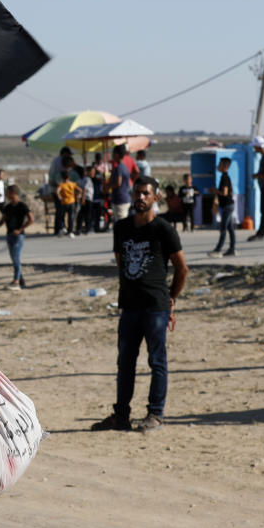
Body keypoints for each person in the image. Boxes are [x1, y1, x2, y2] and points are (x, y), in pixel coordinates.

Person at [92, 176, 188, 432]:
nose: (140, 198)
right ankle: (121, 416)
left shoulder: (164, 229)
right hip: (130, 307)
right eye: (137, 193)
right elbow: (121, 262)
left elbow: (182, 269)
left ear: (156, 197)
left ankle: (155, 414)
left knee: (157, 361)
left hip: (156, 307)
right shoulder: (122, 227)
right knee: (125, 362)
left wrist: (171, 299)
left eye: (146, 193)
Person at [0, 185, 34, 290]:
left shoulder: (22, 206)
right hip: (9, 235)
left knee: (16, 258)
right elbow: (3, 219)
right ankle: (21, 281)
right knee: (14, 259)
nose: (6, 194)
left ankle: (16, 281)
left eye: (8, 192)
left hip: (18, 236)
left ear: (14, 193)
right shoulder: (8, 207)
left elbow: (31, 219)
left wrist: (20, 229)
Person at [208, 158, 237, 257]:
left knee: (223, 228)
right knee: (230, 228)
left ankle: (218, 250)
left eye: (220, 164)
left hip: (227, 206)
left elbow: (224, 193)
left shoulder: (224, 177)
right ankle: (232, 249)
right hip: (229, 205)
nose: (218, 166)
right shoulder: (225, 177)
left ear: (224, 167)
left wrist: (215, 190)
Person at [48, 147, 72, 235]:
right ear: (64, 153)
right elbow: (52, 177)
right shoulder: (58, 162)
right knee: (60, 210)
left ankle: (61, 228)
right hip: (57, 190)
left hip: (61, 190)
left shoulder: (60, 161)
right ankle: (59, 228)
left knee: (60, 211)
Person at [108, 146, 132, 223]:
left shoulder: (119, 168)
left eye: (113, 154)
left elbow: (118, 183)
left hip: (120, 199)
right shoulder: (124, 167)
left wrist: (108, 186)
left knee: (121, 224)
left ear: (117, 155)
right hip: (124, 198)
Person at [56, 170, 79, 237]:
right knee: (71, 217)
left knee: (62, 216)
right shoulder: (72, 184)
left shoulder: (62, 185)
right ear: (69, 177)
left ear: (62, 177)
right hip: (72, 202)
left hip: (64, 202)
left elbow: (57, 191)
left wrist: (60, 197)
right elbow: (79, 190)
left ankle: (63, 228)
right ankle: (70, 231)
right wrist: (76, 196)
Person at [76, 166, 95, 234]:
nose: (93, 173)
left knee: (82, 214)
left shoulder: (85, 179)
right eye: (92, 172)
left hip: (86, 198)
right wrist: (83, 199)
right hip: (87, 199)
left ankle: (79, 228)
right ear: (88, 172)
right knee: (87, 214)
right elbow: (84, 189)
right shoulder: (87, 179)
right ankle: (87, 229)